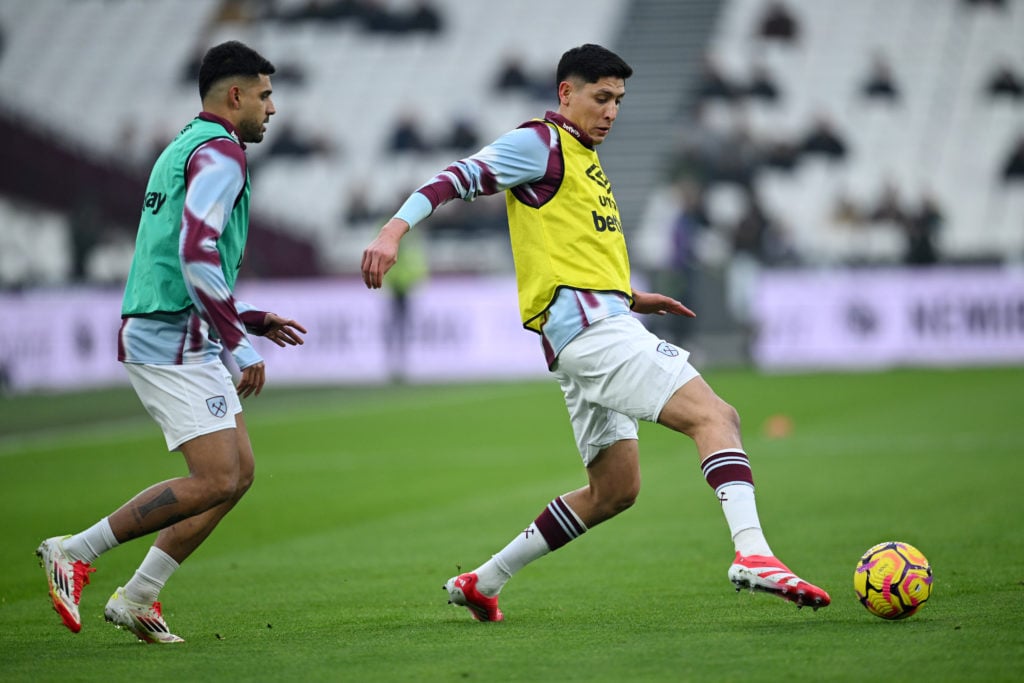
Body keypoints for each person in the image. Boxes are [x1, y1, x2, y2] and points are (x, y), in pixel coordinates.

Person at [361, 43, 830, 622]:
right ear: (566, 93)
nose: (611, 111)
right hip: (595, 334)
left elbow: (566, 250)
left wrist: (628, 296)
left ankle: (484, 580)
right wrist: (393, 230)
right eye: (601, 98)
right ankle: (754, 553)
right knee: (717, 416)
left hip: (590, 329)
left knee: (614, 490)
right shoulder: (540, 142)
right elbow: (458, 176)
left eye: (619, 101)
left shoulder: (582, 157)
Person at [36, 40, 307, 644]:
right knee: (214, 478)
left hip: (183, 330)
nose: (273, 108)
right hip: (171, 339)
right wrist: (240, 341)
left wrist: (248, 317)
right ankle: (73, 550)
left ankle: (138, 598)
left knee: (237, 474)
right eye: (265, 95)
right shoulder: (222, 154)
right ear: (235, 95)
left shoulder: (183, 146)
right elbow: (195, 253)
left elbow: (175, 256)